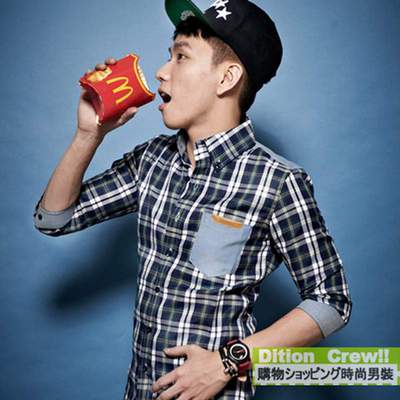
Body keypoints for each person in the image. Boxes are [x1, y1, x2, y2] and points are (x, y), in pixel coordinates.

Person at [33, 0, 352, 399]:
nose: (162, 71)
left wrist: (227, 362)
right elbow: (54, 219)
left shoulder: (278, 181)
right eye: (169, 55)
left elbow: (331, 301)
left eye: (181, 57)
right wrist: (88, 135)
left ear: (226, 78)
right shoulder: (151, 159)